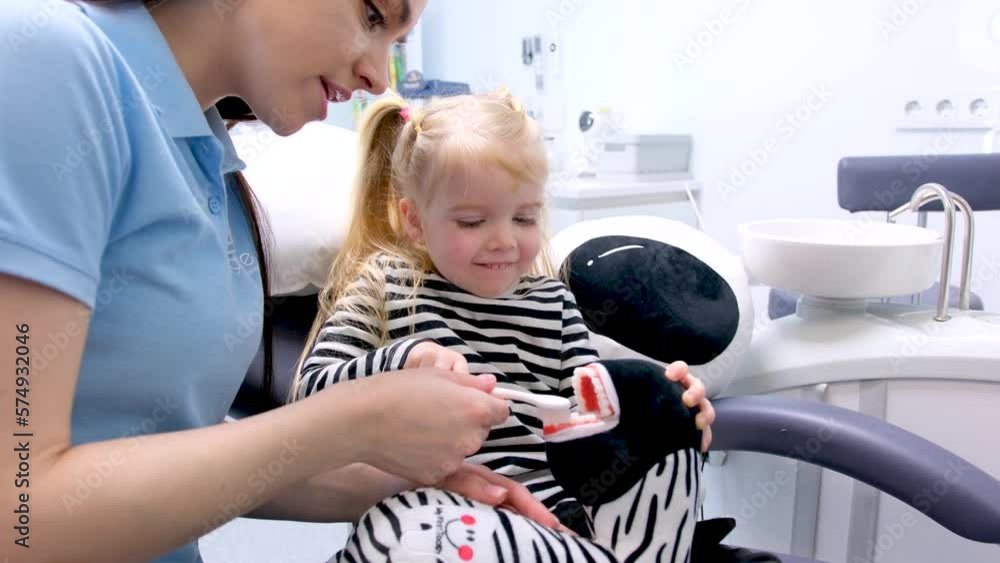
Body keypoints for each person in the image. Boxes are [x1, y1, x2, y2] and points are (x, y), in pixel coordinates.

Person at [0, 1, 595, 561]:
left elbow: (178, 454)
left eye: (396, 42)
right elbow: (19, 512)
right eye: (373, 15)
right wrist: (354, 419)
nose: (377, 77)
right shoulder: (48, 56)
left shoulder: (208, 157)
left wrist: (419, 489)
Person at [289, 91, 717, 537]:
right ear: (415, 221)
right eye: (473, 222)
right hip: (437, 523)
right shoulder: (384, 287)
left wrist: (666, 417)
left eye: (525, 218)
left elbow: (592, 424)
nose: (504, 241)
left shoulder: (554, 304)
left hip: (557, 526)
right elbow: (308, 400)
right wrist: (402, 361)